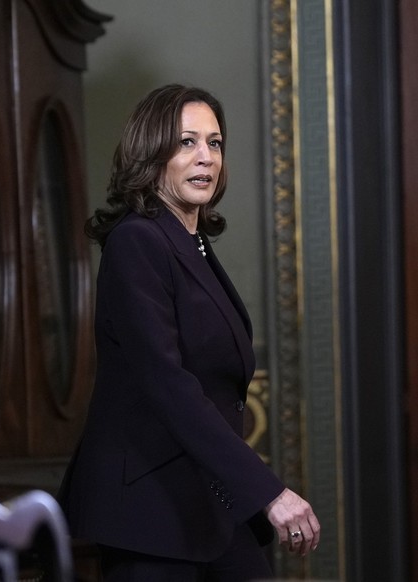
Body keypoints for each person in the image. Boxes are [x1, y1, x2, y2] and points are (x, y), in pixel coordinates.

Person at [58, 84, 320, 580]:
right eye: (186, 142)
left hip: (205, 504)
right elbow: (168, 384)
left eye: (215, 143)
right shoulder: (137, 241)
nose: (206, 158)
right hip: (149, 513)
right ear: (151, 154)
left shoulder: (190, 241)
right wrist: (267, 491)